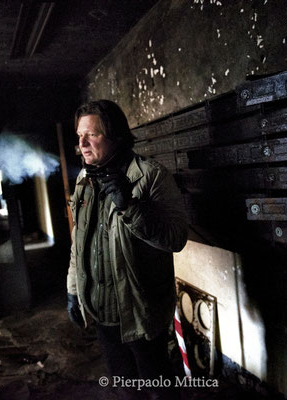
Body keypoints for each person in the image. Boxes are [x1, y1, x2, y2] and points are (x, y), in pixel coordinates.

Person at [66, 100, 188, 388]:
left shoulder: (150, 175)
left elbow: (176, 239)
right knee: (124, 387)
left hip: (140, 312)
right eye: (79, 136)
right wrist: (74, 290)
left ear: (116, 136)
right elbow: (79, 241)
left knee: (158, 387)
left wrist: (130, 206)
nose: (82, 143)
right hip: (101, 313)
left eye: (92, 135)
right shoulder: (84, 178)